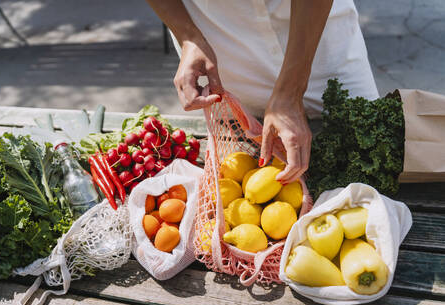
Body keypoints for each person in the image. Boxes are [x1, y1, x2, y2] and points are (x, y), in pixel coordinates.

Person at [146, 0, 378, 183]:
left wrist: (291, 91)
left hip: (317, 41)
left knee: (373, 160)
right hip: (223, 50)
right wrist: (189, 37)